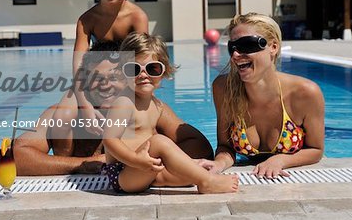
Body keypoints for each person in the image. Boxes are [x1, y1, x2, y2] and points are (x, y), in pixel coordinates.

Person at [14, 41, 214, 176]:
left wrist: (154, 163)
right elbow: (16, 156)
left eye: (114, 78)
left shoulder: (148, 109)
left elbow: (201, 146)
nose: (105, 85)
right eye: (97, 78)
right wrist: (84, 164)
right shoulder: (63, 113)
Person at [102, 32, 239, 193]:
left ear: (164, 71)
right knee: (159, 141)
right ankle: (207, 182)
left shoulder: (156, 105)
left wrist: (186, 162)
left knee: (189, 173)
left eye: (152, 68)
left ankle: (199, 175)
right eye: (134, 69)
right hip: (124, 172)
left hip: (146, 169)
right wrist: (135, 160)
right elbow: (109, 139)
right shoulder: (123, 102)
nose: (143, 75)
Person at [199, 13, 325, 179]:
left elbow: (316, 150)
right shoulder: (224, 88)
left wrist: (280, 160)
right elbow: (225, 146)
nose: (236, 55)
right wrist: (219, 163)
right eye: (233, 47)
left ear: (273, 47)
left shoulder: (305, 93)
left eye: (246, 44)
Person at [51, 0, 148, 154]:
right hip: (93, 81)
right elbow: (78, 65)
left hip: (126, 80)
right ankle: (66, 166)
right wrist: (85, 106)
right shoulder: (87, 20)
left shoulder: (137, 17)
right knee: (61, 117)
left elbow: (143, 62)